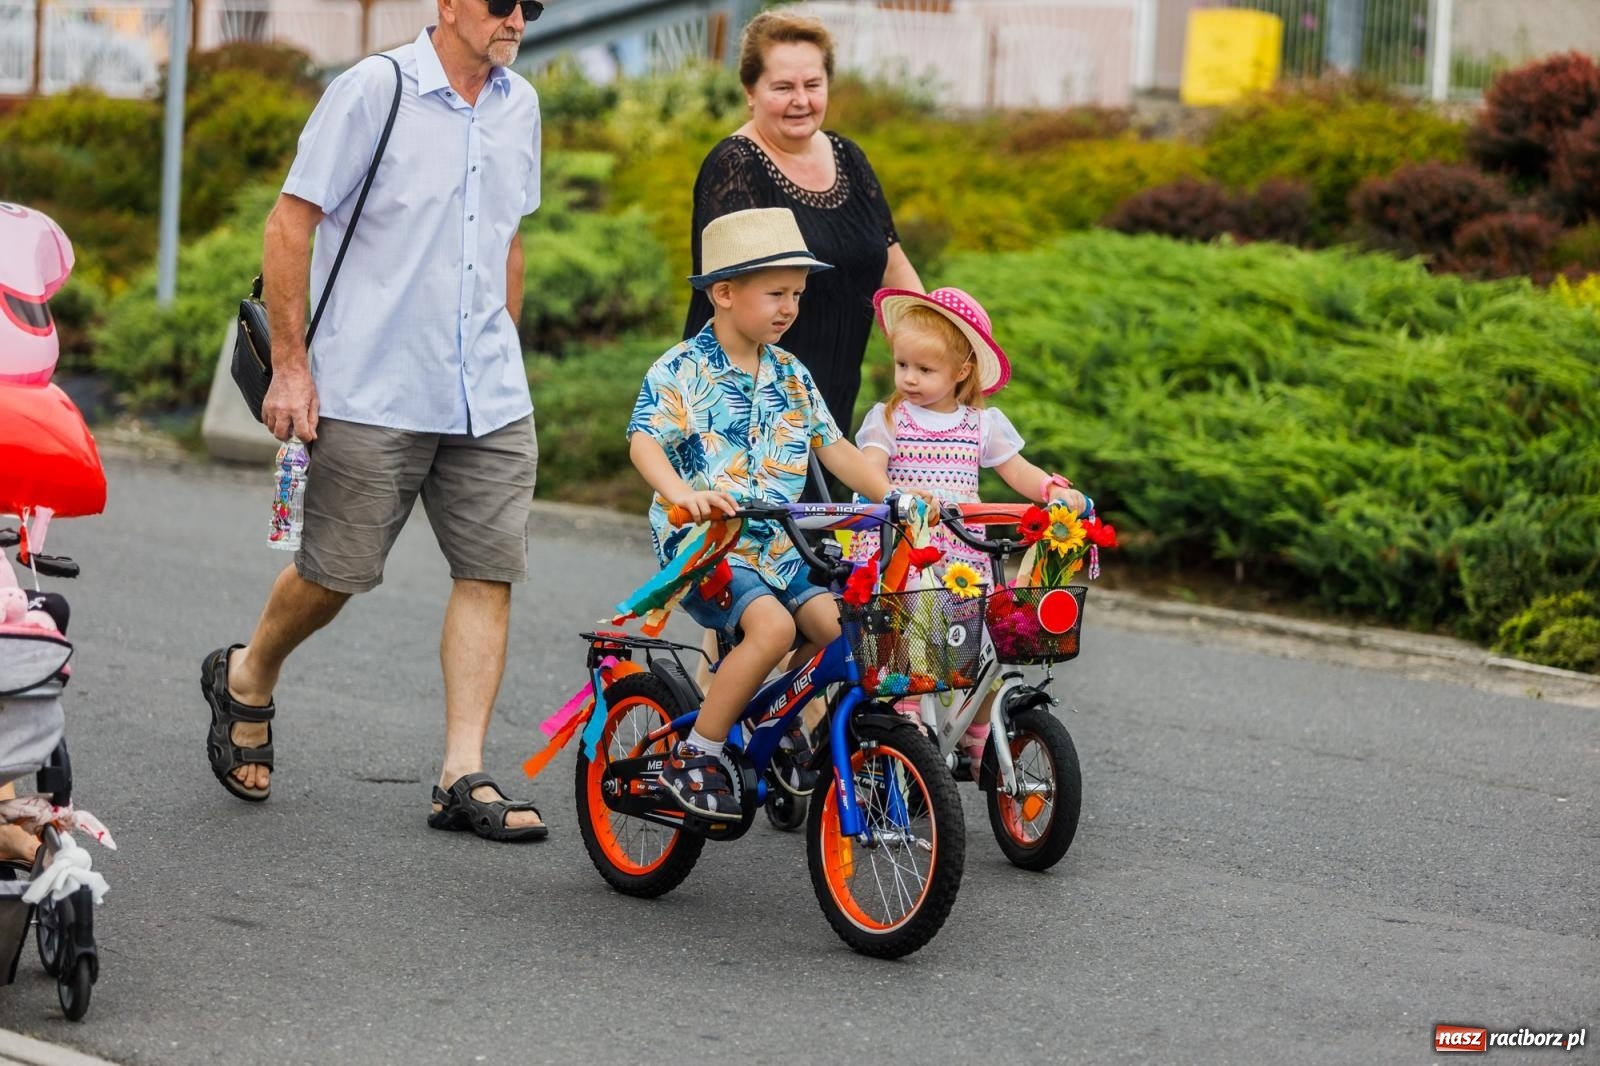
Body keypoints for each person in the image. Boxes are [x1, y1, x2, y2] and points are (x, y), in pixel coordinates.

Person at [199, 0, 549, 842]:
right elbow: (290, 224)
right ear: (449, 4)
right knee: (335, 575)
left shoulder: (521, 106)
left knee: (487, 570)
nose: (517, 19)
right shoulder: (374, 90)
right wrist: (292, 366)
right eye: (503, 2)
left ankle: (460, 773)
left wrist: (505, 335)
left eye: (533, 6)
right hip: (373, 388)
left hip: (489, 396)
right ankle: (248, 675)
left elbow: (507, 235)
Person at [628, 208, 901, 821]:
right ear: (724, 293)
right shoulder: (680, 370)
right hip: (709, 545)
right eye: (775, 293)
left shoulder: (791, 375)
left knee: (846, 628)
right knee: (773, 630)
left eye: (797, 296)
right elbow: (643, 440)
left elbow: (836, 450)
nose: (789, 308)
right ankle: (695, 756)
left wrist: (896, 497)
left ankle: (783, 720)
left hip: (782, 546)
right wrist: (681, 495)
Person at [854, 285, 1090, 769]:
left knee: (992, 638)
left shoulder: (981, 424)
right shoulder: (889, 418)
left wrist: (1051, 491)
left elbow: (1018, 471)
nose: (910, 379)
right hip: (906, 547)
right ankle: (904, 713)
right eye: (903, 366)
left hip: (963, 551)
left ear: (962, 371)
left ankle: (978, 725)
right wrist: (893, 496)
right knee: (913, 621)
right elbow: (870, 469)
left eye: (925, 369)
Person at [684, 9, 923, 442]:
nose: (801, 100)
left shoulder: (848, 157)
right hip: (745, 412)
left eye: (813, 85)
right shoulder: (734, 165)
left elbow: (894, 266)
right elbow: (733, 300)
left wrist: (931, 346)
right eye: (783, 87)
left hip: (832, 403)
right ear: (750, 91)